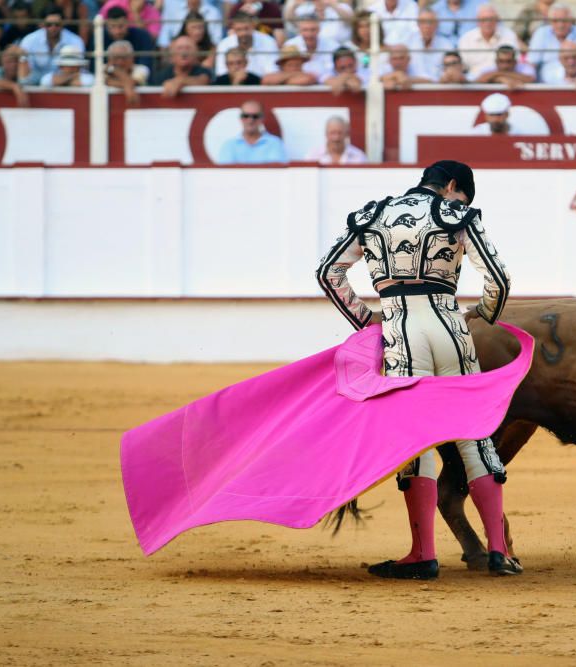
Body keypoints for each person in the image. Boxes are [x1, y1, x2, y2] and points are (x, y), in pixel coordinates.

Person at [316, 160, 518, 580]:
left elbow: (328, 272)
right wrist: (481, 313)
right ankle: (499, 551)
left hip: (399, 332)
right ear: (450, 186)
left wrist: (366, 319)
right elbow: (498, 279)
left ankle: (423, 554)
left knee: (415, 441)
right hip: (450, 328)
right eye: (461, 195)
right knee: (474, 435)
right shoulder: (454, 214)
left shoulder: (372, 215)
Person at [18, 6, 85, 84]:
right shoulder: (29, 40)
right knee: (25, 80)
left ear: (63, 23)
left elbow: (77, 70)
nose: (53, 28)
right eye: (49, 25)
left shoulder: (75, 41)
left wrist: (51, 80)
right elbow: (25, 75)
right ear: (41, 24)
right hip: (36, 80)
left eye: (57, 24)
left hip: (65, 81)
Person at [526, 3, 576, 71]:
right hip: (547, 83)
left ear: (571, 20)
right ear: (550, 21)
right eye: (556, 21)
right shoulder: (541, 33)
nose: (560, 25)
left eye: (564, 21)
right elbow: (531, 64)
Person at [218, 100, 289, 164]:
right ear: (241, 118)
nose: (250, 120)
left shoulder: (274, 143)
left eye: (255, 116)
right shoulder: (229, 145)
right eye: (246, 116)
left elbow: (276, 173)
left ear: (262, 118)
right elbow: (225, 174)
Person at [457, 4, 518, 78]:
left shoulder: (509, 35)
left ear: (497, 20)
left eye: (491, 19)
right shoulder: (466, 38)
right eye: (483, 20)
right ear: (477, 21)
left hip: (505, 79)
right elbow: (462, 67)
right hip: (474, 83)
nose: (487, 23)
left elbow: (516, 61)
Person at [88, 6, 156, 72]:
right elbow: (94, 67)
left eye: (121, 26)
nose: (117, 31)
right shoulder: (99, 37)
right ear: (107, 26)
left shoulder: (142, 36)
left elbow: (146, 65)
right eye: (113, 26)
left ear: (127, 23)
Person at [214, 12, 279, 79]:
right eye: (239, 29)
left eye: (246, 28)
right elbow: (222, 75)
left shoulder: (268, 41)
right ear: (233, 29)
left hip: (261, 86)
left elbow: (273, 72)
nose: (243, 33)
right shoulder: (224, 44)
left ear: (253, 26)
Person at [284, 13, 339, 80]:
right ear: (299, 31)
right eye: (305, 30)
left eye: (313, 29)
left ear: (319, 30)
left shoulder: (333, 46)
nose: (309, 34)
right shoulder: (290, 45)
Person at [406, 9, 453, 80]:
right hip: (413, 86)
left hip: (439, 87)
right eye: (423, 22)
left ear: (437, 24)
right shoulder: (408, 43)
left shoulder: (447, 45)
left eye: (430, 22)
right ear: (418, 24)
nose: (427, 26)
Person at [158, 0, 223, 50]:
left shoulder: (213, 13)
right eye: (194, 27)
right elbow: (165, 39)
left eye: (199, 27)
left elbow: (216, 42)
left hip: (205, 51)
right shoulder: (177, 13)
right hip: (180, 52)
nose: (197, 32)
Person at [284, 0, 353, 44]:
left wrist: (333, 4)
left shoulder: (342, 7)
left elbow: (349, 21)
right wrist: (294, 5)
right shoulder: (305, 9)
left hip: (340, 51)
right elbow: (290, 20)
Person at [105, 40, 148, 106]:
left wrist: (115, 71)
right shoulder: (103, 68)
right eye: (116, 58)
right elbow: (104, 81)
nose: (120, 62)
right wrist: (128, 88)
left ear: (132, 58)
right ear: (109, 59)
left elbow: (133, 82)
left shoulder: (141, 69)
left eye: (124, 58)